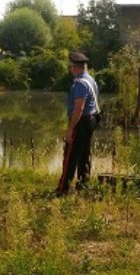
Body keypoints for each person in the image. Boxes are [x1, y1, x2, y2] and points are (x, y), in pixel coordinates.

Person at [56, 51, 100, 195]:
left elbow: (78, 108)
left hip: (81, 122)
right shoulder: (91, 80)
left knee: (70, 155)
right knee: (84, 153)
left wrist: (70, 129)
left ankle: (63, 188)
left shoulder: (80, 83)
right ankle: (83, 184)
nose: (71, 69)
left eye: (72, 66)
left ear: (75, 67)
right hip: (91, 120)